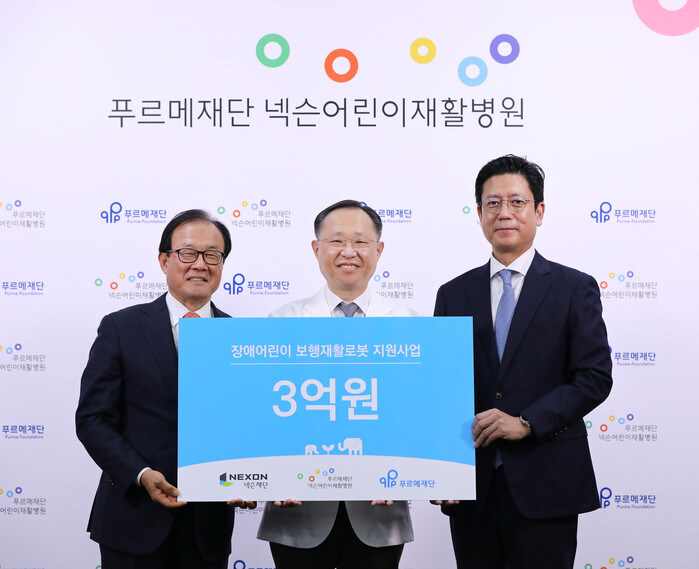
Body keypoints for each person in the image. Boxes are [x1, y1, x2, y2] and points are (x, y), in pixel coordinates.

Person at [433, 155, 613, 569]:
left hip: (546, 481)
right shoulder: (452, 293)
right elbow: (441, 388)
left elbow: (594, 378)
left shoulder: (574, 287)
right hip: (471, 486)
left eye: (517, 202)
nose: (504, 213)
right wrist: (440, 469)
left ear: (539, 211)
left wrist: (527, 421)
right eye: (492, 203)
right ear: (479, 213)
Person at [76, 209, 255, 569]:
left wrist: (251, 479)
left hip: (208, 527)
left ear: (222, 264)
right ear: (164, 260)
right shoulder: (121, 328)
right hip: (133, 519)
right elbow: (93, 419)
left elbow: (250, 424)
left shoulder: (243, 339)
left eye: (212, 255)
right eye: (187, 253)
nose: (200, 264)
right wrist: (141, 474)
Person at [257, 199, 415, 569]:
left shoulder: (411, 326)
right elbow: (263, 416)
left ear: (378, 250)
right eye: (336, 241)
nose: (348, 251)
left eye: (360, 241)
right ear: (316, 248)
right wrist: (274, 477)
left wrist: (411, 475)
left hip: (380, 513)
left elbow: (416, 416)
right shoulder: (281, 322)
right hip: (296, 512)